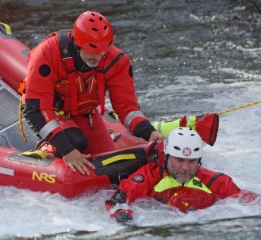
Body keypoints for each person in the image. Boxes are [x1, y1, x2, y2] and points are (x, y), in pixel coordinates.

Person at [19, 10, 165, 175]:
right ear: (77, 44)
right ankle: (48, 148)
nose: (97, 57)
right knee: (75, 142)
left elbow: (127, 107)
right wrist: (66, 149)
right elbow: (36, 108)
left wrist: (149, 132)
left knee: (110, 165)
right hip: (50, 112)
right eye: (92, 51)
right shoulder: (48, 52)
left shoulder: (117, 61)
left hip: (85, 114)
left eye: (102, 52)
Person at [105, 127, 261, 223]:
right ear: (166, 156)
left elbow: (247, 199)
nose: (185, 168)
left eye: (191, 162)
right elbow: (116, 201)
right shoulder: (148, 176)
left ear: (199, 161)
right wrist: (127, 221)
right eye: (179, 160)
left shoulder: (216, 181)